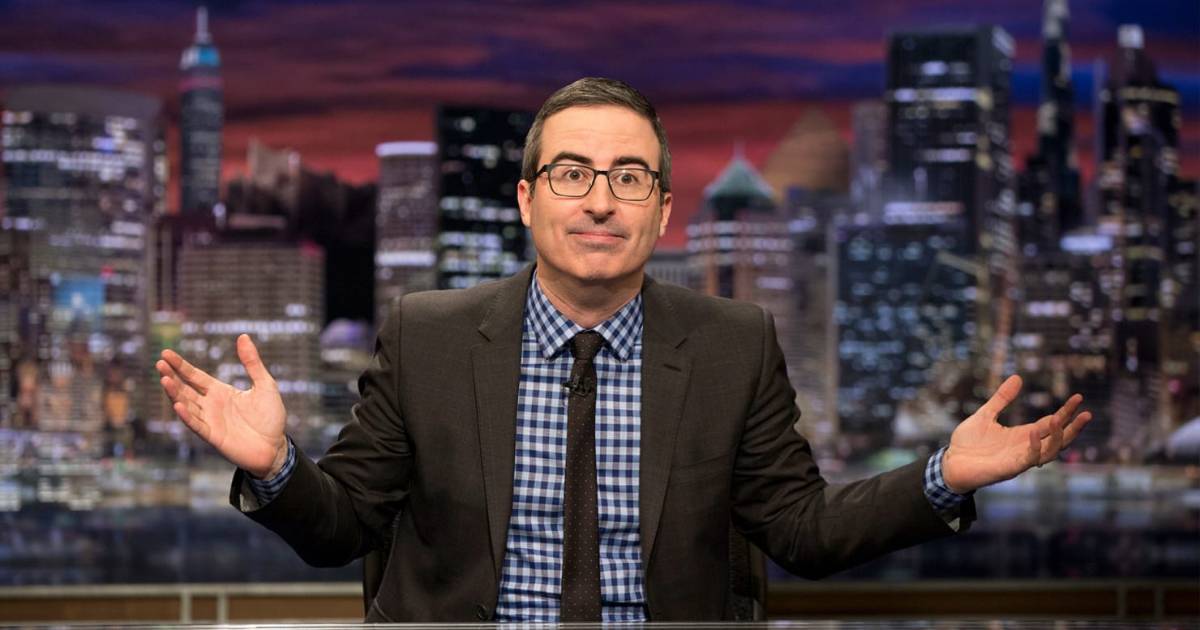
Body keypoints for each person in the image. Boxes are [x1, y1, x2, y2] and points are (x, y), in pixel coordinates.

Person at [156, 77, 1092, 623]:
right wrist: (277, 466)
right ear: (528, 200)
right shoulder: (427, 334)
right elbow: (345, 527)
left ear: (663, 210)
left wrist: (942, 478)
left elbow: (802, 532)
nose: (600, 200)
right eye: (571, 174)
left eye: (629, 177)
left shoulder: (733, 344)